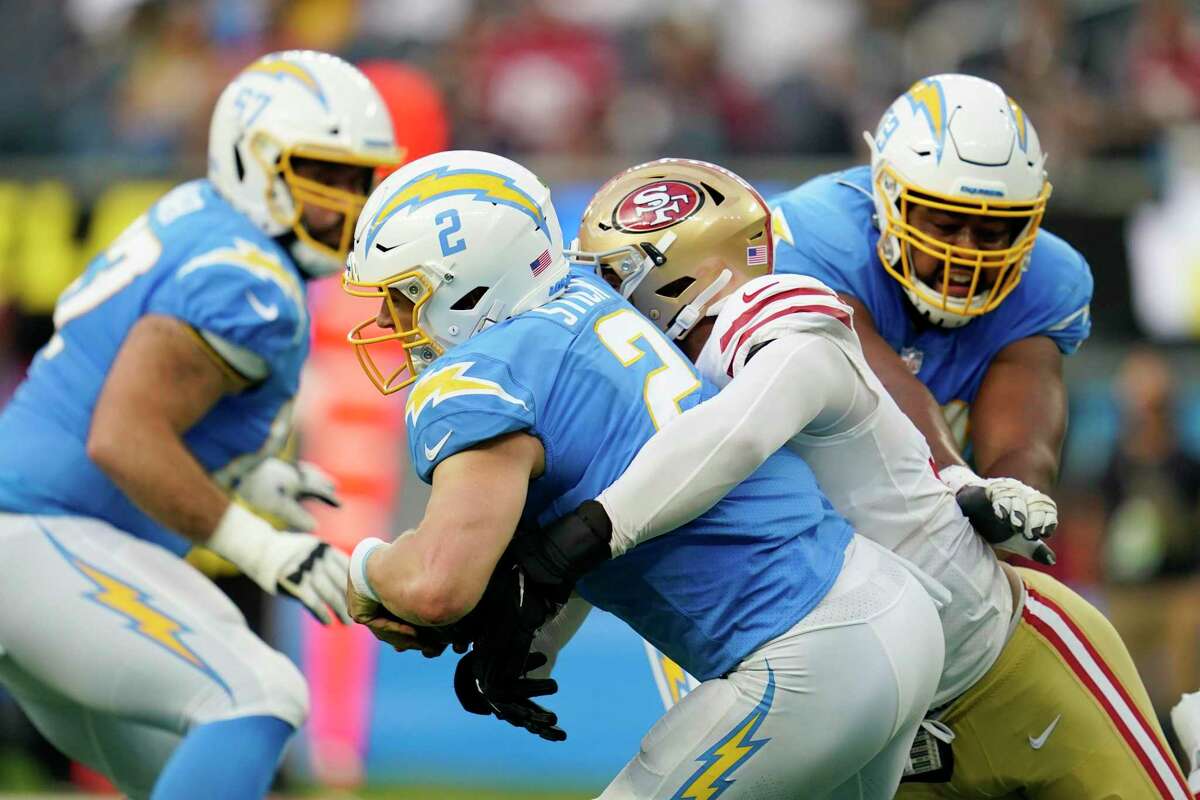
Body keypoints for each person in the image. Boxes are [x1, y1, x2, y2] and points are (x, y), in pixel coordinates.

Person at [545, 157, 1189, 798]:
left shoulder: (774, 315)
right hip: (880, 714)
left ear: (691, 269)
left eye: (616, 274)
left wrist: (583, 534)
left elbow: (735, 432)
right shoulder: (646, 393)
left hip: (1005, 665)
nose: (600, 298)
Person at [340, 150, 946, 798]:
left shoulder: (481, 377)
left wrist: (363, 570)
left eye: (404, 297)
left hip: (810, 653)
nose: (385, 322)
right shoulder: (584, 295)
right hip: (892, 610)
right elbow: (596, 497)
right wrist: (534, 636)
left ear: (469, 284)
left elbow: (438, 586)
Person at [0, 50, 401, 800]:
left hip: (44, 543)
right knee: (260, 697)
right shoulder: (247, 278)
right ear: (255, 162)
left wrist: (242, 468)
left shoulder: (201, 217)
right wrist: (263, 546)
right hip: (43, 539)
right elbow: (122, 435)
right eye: (326, 174)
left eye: (359, 179)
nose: (346, 204)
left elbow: (120, 384)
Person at [770, 73, 1088, 536]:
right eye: (943, 224)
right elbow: (880, 387)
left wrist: (1013, 499)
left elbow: (1022, 448)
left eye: (990, 232)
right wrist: (957, 478)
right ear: (889, 202)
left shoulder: (1048, 277)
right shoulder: (822, 233)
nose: (966, 252)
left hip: (926, 525)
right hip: (795, 505)